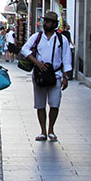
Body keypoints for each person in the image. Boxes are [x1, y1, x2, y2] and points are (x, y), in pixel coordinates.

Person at [20, 11, 72, 142]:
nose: (46, 24)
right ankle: (43, 130)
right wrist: (36, 62)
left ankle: (51, 130)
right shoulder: (36, 37)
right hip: (40, 75)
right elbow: (25, 49)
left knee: (55, 104)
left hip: (56, 74)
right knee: (40, 104)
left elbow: (66, 58)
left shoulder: (61, 39)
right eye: (45, 21)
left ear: (54, 24)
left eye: (48, 21)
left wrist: (66, 76)